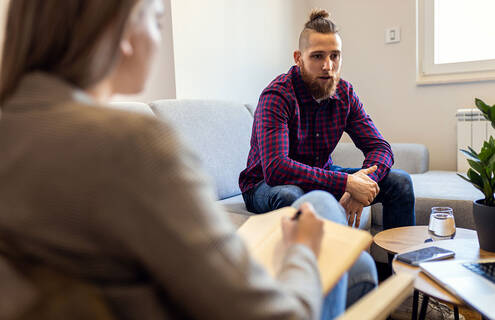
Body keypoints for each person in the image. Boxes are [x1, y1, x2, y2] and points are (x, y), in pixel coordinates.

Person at [0, 1, 370, 319]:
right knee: (321, 207)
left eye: (334, 55)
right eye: (157, 21)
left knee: (361, 265)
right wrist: (303, 249)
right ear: (122, 30)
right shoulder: (134, 145)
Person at [239, 9, 415, 231]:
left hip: (320, 175)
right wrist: (347, 183)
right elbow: (277, 168)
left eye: (335, 55)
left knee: (400, 183)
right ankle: (324, 265)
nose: (328, 66)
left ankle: (398, 265)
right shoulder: (277, 96)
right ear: (298, 58)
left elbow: (380, 147)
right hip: (264, 184)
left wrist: (361, 185)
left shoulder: (345, 93)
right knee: (292, 195)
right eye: (317, 56)